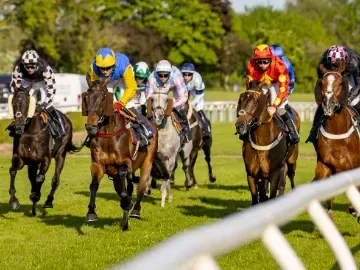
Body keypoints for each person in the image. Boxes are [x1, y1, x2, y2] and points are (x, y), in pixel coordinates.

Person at [85, 48, 154, 147]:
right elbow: (95, 91)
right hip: (106, 81)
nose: (105, 71)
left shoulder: (124, 67)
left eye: (108, 68)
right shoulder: (94, 68)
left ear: (113, 65)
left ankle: (144, 130)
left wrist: (121, 103)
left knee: (128, 105)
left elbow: (131, 87)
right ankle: (92, 135)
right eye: (102, 68)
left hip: (122, 78)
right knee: (104, 105)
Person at [9, 49, 65, 155]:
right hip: (27, 82)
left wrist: (43, 105)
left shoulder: (45, 68)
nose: (30, 69)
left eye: (32, 66)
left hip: (43, 83)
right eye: (27, 67)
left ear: (37, 63)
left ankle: (58, 130)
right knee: (20, 102)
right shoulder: (19, 67)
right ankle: (16, 126)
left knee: (48, 105)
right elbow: (14, 87)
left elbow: (51, 90)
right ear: (23, 65)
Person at [245, 44, 299, 144]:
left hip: (277, 84)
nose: (262, 65)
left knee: (279, 108)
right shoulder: (251, 66)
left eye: (265, 61)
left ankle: (293, 132)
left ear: (270, 59)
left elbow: (283, 89)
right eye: (259, 62)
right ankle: (246, 130)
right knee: (253, 105)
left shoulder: (280, 66)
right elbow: (250, 87)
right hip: (262, 84)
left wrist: (274, 106)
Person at [306, 45, 360, 144]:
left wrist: (349, 98)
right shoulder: (323, 61)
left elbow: (359, 83)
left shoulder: (353, 62)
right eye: (332, 66)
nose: (334, 68)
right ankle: (314, 132)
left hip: (349, 78)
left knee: (355, 103)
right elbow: (321, 82)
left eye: (336, 66)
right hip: (331, 79)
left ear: (344, 61)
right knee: (322, 107)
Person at [146, 60, 192, 143]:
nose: (163, 77)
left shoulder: (177, 76)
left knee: (179, 109)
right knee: (151, 110)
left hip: (175, 92)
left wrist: (172, 106)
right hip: (159, 93)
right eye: (160, 75)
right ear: (157, 73)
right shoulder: (152, 77)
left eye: (165, 75)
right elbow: (149, 95)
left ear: (169, 73)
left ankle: (186, 133)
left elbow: (183, 96)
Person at [181, 62, 211, 138]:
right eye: (185, 74)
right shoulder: (180, 78)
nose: (186, 77)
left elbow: (199, 95)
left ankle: (207, 129)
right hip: (185, 90)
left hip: (197, 92)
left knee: (199, 109)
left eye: (189, 74)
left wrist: (193, 103)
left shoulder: (197, 79)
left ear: (193, 74)